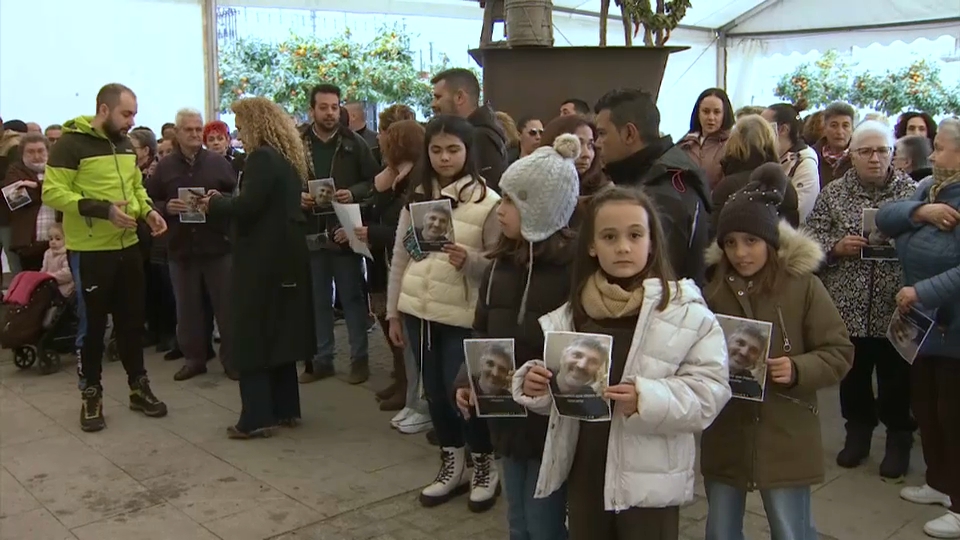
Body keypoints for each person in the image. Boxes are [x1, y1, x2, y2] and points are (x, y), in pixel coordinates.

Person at [514, 187, 730, 540]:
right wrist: (537, 387)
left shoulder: (686, 312)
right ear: (591, 245)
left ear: (652, 243)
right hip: (587, 472)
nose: (624, 247)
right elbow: (563, 395)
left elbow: (710, 390)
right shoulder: (571, 314)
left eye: (635, 235)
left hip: (650, 480)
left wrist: (646, 398)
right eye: (609, 237)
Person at [701, 164, 854, 540]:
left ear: (769, 241)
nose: (740, 253)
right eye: (731, 242)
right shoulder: (713, 293)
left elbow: (838, 351)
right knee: (720, 528)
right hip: (727, 432)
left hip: (786, 429)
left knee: (791, 529)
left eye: (751, 242)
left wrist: (798, 369)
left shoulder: (802, 287)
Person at [454, 132, 581, 540]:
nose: (501, 209)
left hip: (549, 425)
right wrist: (466, 379)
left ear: (538, 207)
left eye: (511, 200)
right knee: (518, 522)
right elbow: (481, 328)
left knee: (544, 523)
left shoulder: (574, 273)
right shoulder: (500, 265)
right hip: (506, 419)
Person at [385, 115, 502, 511]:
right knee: (433, 393)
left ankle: (484, 464)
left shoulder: (488, 202)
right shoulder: (418, 196)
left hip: (462, 317)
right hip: (419, 311)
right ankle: (451, 463)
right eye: (436, 150)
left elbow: (501, 266)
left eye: (453, 149)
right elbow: (400, 257)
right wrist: (394, 313)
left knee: (464, 396)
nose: (444, 157)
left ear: (468, 152)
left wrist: (469, 259)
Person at [42, 83, 168, 433]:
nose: (132, 121)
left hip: (128, 246)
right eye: (126, 114)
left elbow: (135, 188)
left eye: (134, 114)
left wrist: (148, 212)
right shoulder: (70, 144)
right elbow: (52, 192)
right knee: (93, 327)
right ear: (103, 109)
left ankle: (137, 387)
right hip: (91, 250)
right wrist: (102, 211)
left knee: (131, 322)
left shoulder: (125, 144)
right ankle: (91, 394)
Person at [806, 120, 918, 480]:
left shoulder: (913, 193)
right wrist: (835, 248)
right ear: (851, 155)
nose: (874, 158)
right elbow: (808, 241)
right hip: (847, 307)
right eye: (865, 151)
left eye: (882, 151)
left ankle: (899, 436)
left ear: (893, 154)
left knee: (896, 377)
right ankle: (858, 432)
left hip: (895, 306)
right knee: (852, 375)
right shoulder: (834, 194)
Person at [199, 96, 315, 439]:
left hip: (263, 258)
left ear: (256, 124)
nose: (237, 132)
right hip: (284, 255)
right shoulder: (285, 157)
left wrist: (216, 203)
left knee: (250, 334)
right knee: (278, 331)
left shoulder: (263, 157)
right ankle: (285, 408)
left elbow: (249, 207)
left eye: (240, 125)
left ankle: (257, 417)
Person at [876, 117, 960, 539]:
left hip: (952, 324)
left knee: (954, 414)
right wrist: (920, 212)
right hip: (923, 324)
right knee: (927, 408)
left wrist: (923, 290)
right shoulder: (930, 188)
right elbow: (887, 220)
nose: (933, 155)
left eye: (941, 148)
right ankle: (940, 483)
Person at [146, 108, 238, 382]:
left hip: (216, 246)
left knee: (227, 308)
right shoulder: (165, 166)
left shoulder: (218, 163)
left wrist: (217, 200)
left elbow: (235, 195)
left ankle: (233, 361)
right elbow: (148, 200)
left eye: (199, 129)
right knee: (187, 310)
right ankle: (195, 359)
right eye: (190, 129)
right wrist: (166, 206)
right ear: (177, 132)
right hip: (181, 248)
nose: (196, 134)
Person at [298, 83, 379, 385]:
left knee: (352, 297)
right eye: (324, 107)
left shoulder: (353, 143)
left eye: (334, 107)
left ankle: (360, 360)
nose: (330, 113)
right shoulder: (297, 143)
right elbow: (287, 181)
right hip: (311, 232)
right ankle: (322, 360)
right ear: (312, 110)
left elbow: (372, 181)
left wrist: (352, 193)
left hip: (344, 229)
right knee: (318, 299)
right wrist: (298, 196)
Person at [593, 88, 711, 285]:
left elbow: (649, 279)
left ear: (630, 134)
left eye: (602, 133)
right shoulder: (660, 178)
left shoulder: (661, 194)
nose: (597, 143)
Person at [366, 119, 424, 415]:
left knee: (402, 332)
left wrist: (372, 233)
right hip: (387, 259)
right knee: (392, 325)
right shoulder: (396, 176)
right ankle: (400, 379)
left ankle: (407, 388)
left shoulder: (414, 180)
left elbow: (405, 230)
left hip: (405, 263)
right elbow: (380, 208)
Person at [431, 68, 508, 191]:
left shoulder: (480, 137)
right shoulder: (479, 133)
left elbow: (485, 192)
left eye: (438, 97)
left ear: (460, 97)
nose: (433, 104)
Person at [762, 100, 821, 222]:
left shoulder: (805, 163)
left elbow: (799, 211)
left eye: (764, 126)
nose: (760, 131)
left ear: (783, 129)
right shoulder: (769, 157)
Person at [678, 88, 734, 189]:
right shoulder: (683, 145)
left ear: (725, 114)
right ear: (698, 113)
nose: (711, 117)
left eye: (717, 112)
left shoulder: (733, 145)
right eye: (706, 111)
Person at [813, 102, 855, 187]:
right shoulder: (811, 156)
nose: (840, 132)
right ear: (824, 128)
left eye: (845, 126)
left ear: (852, 129)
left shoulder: (859, 158)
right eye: (834, 125)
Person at [40, 223, 74, 298]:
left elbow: (68, 273)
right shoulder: (48, 253)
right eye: (51, 239)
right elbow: (44, 269)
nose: (53, 242)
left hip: (65, 288)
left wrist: (49, 277)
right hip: (49, 285)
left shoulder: (66, 254)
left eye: (58, 239)